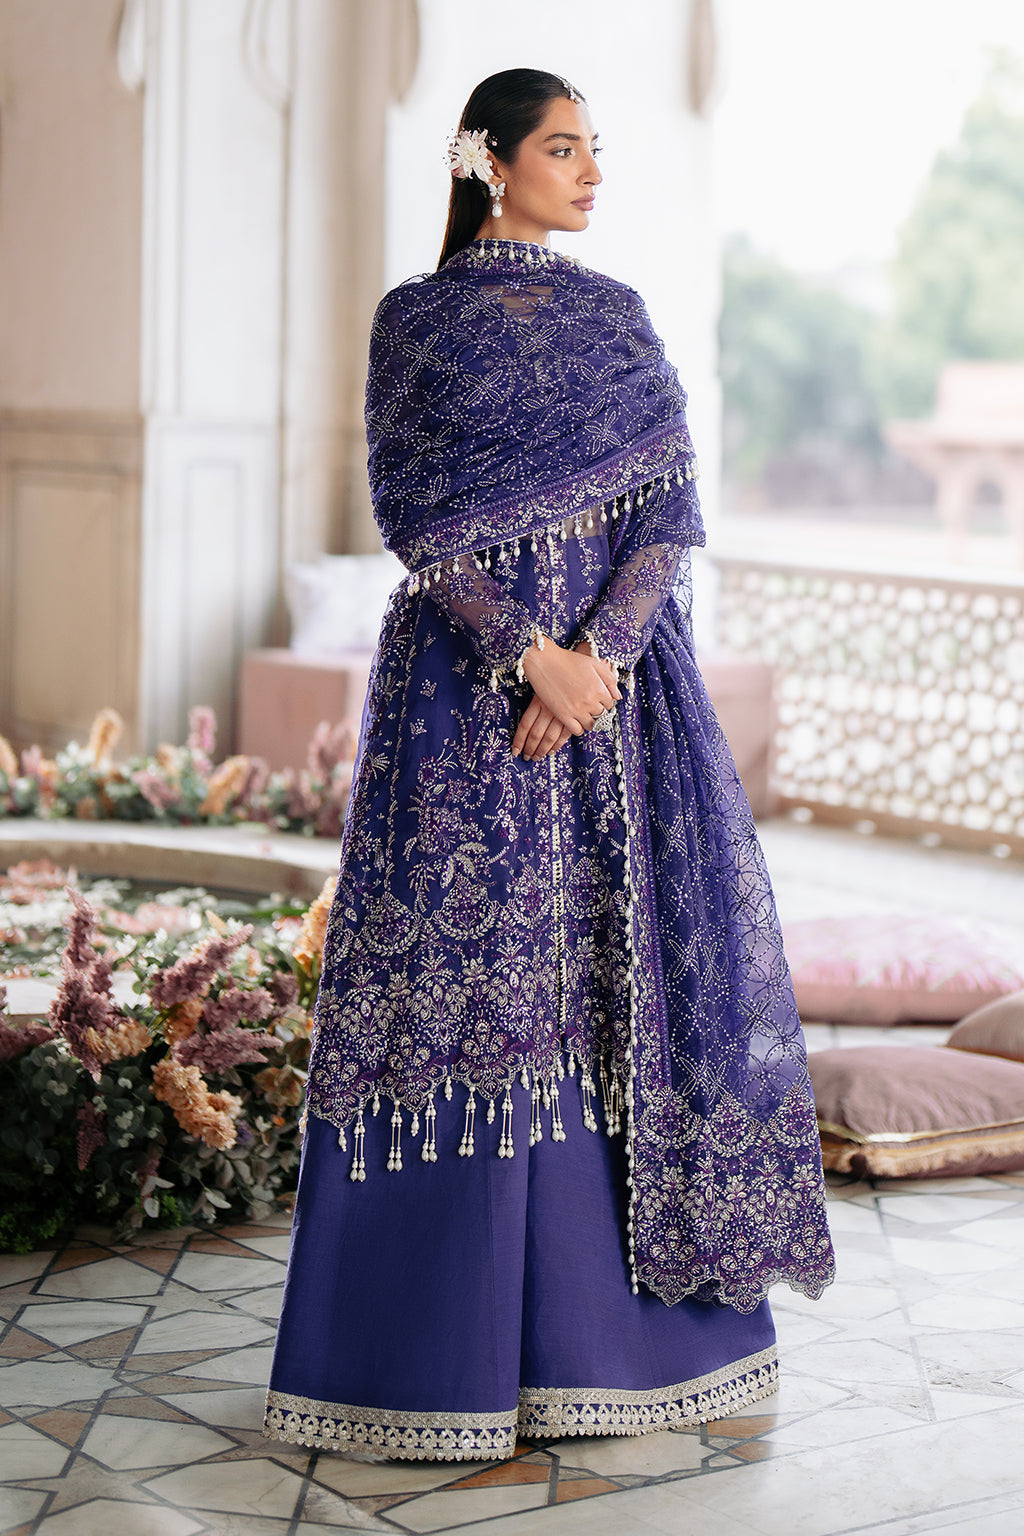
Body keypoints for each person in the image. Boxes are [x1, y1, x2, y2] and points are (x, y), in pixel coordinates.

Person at [264, 67, 834, 1464]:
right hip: (462, 708)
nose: (589, 172)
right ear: (491, 162)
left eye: (594, 148)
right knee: (467, 985)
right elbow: (412, 512)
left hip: (620, 715)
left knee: (609, 974)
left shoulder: (619, 317)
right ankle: (431, 1359)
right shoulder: (416, 322)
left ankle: (622, 1348)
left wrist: (598, 666)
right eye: (564, 147)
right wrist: (530, 657)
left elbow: (667, 516)